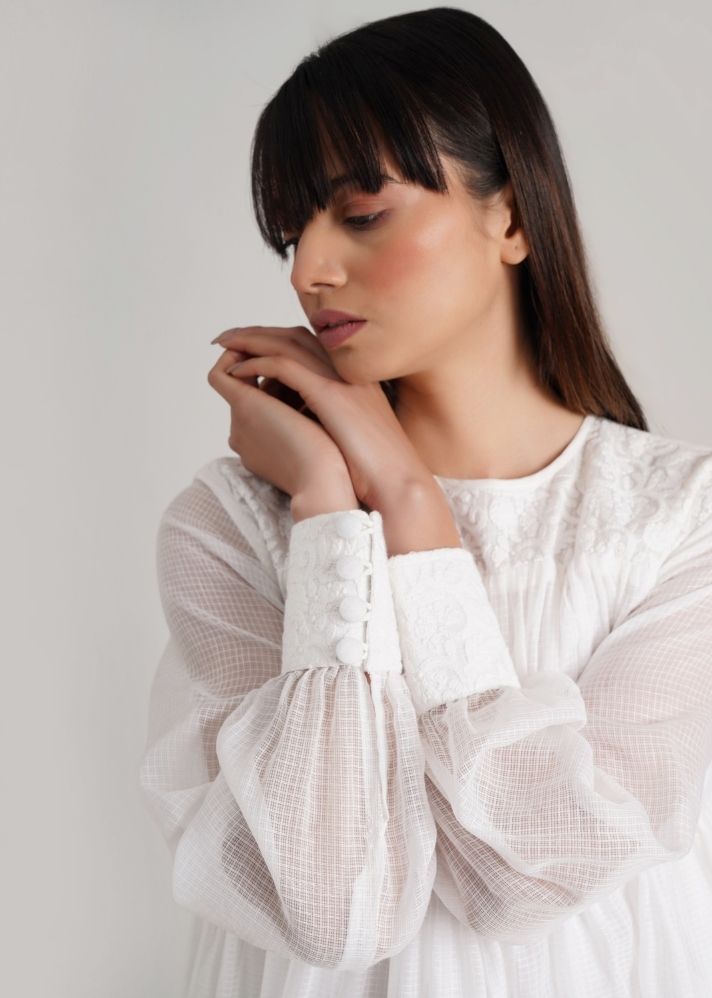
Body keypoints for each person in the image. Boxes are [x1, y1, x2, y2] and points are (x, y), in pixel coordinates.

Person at [139, 7, 712, 996]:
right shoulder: (235, 524)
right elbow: (331, 909)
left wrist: (408, 504)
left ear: (513, 218)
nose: (307, 270)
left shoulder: (677, 520)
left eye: (361, 213)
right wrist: (330, 513)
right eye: (291, 232)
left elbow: (532, 878)